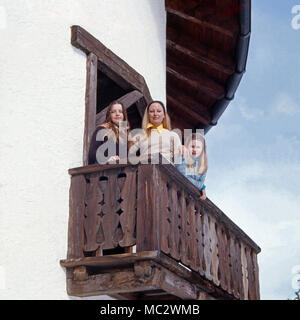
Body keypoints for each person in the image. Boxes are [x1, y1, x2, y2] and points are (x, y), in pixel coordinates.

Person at [88, 100, 131, 165]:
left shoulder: (125, 134)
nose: (117, 114)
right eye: (113, 112)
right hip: (105, 171)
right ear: (109, 115)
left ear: (124, 115)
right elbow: (92, 155)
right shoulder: (101, 130)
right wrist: (106, 159)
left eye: (120, 111)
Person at [175, 133, 207, 200]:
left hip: (188, 197)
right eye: (192, 146)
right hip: (176, 188)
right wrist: (200, 186)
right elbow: (182, 173)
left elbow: (201, 182)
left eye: (198, 147)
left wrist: (202, 186)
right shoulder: (183, 155)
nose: (195, 150)